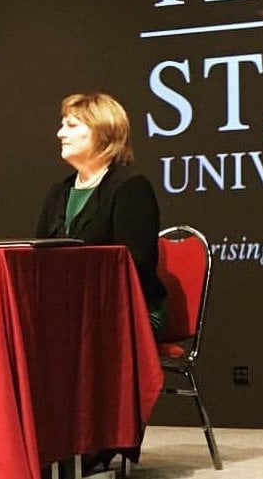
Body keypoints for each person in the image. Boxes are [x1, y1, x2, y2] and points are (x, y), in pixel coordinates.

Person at [36, 93, 167, 333]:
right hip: (70, 309)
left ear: (103, 132)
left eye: (71, 125)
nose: (60, 133)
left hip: (127, 309)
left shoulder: (130, 186)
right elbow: (38, 260)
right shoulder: (59, 191)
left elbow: (135, 266)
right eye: (62, 124)